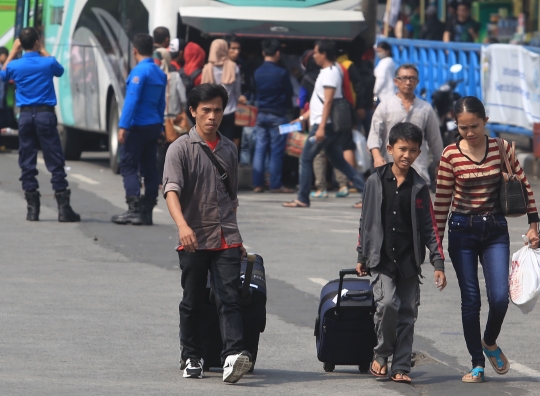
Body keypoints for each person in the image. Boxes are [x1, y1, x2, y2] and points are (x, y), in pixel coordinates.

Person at [434, 96, 539, 383]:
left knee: (500, 298)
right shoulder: (449, 155)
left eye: (474, 126)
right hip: (461, 230)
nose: (469, 133)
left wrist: (534, 225)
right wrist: (437, 254)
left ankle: (489, 341)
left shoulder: (501, 148)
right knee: (470, 300)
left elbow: (524, 186)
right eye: (463, 127)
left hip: (495, 229)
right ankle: (477, 363)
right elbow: (441, 204)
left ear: (485, 121)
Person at [163, 83, 253, 383]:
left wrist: (236, 237)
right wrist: (183, 227)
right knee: (193, 300)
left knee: (229, 297)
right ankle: (191, 356)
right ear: (193, 112)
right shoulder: (179, 149)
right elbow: (171, 192)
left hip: (226, 237)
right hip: (193, 239)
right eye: (205, 111)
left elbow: (232, 197)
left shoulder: (229, 148)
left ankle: (232, 357)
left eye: (217, 110)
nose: (212, 116)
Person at [356, 122, 446, 384]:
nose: (407, 155)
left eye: (413, 150)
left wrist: (437, 262)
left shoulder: (419, 186)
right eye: (402, 149)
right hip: (381, 258)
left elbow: (430, 226)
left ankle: (401, 366)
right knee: (387, 304)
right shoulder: (375, 180)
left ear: (419, 153)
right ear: (390, 149)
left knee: (407, 310)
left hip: (408, 260)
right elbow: (365, 221)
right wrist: (362, 255)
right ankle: (382, 354)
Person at [0, 28, 80, 222]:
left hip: (26, 116)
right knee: (54, 159)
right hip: (45, 115)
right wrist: (43, 49)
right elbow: (59, 70)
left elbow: (3, 75)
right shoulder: (48, 62)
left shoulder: (16, 65)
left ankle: (32, 209)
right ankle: (63, 208)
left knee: (27, 160)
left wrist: (12, 52)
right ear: (37, 42)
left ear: (20, 43)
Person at [282, 40, 365, 208]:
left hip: (323, 125)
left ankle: (302, 198)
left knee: (305, 158)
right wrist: (303, 118)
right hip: (323, 123)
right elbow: (319, 102)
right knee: (339, 161)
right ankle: (367, 193)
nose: (314, 55)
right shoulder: (329, 71)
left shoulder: (330, 74)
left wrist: (320, 128)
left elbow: (328, 102)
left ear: (324, 54)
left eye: (316, 52)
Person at [111, 33, 166, 226]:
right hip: (153, 126)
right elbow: (161, 103)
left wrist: (123, 126)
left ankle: (133, 209)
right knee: (149, 167)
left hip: (136, 126)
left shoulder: (138, 72)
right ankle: (147, 210)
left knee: (128, 166)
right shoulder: (160, 72)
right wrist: (160, 126)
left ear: (135, 50)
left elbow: (131, 101)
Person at [368, 64, 443, 188]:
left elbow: (435, 139)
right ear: (396, 81)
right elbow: (374, 135)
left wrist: (439, 164)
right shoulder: (385, 107)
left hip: (418, 172)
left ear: (417, 82)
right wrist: (377, 157)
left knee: (417, 206)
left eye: (412, 79)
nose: (408, 82)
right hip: (390, 170)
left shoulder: (425, 108)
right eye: (404, 78)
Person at [252, 39, 293, 193]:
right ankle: (275, 184)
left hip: (261, 114)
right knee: (276, 150)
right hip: (278, 115)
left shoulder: (257, 72)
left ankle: (258, 183)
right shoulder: (282, 73)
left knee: (260, 149)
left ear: (263, 53)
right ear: (277, 53)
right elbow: (289, 92)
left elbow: (254, 91)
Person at [154, 47, 188, 184]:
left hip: (158, 119)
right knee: (173, 151)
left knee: (159, 150)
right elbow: (183, 99)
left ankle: (159, 180)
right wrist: (181, 109)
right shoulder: (175, 77)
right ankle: (172, 179)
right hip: (173, 120)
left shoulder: (154, 76)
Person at [201, 39, 242, 146]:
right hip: (229, 110)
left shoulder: (207, 68)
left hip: (211, 112)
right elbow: (237, 92)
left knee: (211, 142)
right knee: (227, 142)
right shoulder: (234, 67)